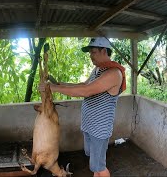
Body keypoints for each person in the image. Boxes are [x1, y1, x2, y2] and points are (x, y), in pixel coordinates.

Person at [39, 37, 126, 177]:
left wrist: (53, 88)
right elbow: (84, 85)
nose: (90, 56)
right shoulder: (98, 69)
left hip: (99, 129)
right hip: (89, 125)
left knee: (99, 166)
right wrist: (61, 84)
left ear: (104, 51)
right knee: (94, 164)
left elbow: (86, 91)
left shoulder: (113, 73)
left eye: (93, 52)